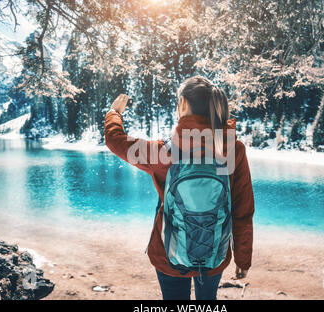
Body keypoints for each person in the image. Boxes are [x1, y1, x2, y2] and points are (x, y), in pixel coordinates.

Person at [104, 75, 254, 300]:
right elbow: (242, 212)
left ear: (183, 104)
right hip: (214, 254)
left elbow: (115, 141)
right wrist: (243, 260)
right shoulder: (234, 150)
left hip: (167, 255)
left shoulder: (165, 152)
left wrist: (114, 113)